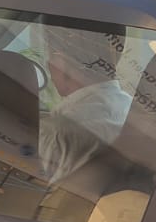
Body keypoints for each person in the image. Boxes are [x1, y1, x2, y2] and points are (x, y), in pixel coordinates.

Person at [38, 22, 132, 187]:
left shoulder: (57, 133)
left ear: (62, 61)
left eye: (50, 53)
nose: (48, 64)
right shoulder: (131, 111)